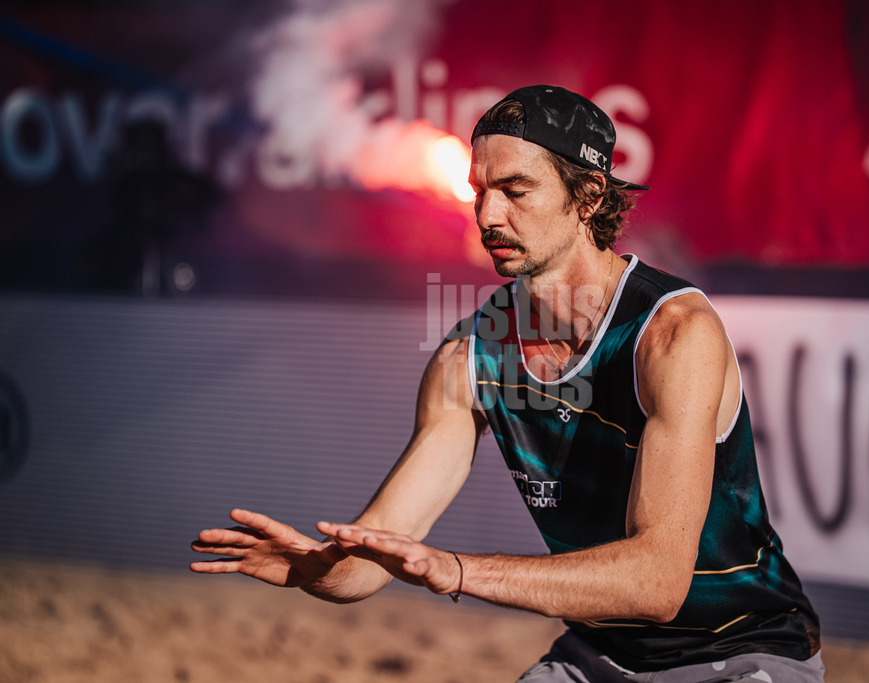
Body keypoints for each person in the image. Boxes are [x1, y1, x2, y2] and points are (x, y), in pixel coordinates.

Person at [191, 84, 823, 681]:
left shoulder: (672, 333)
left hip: (743, 651)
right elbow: (374, 560)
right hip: (596, 656)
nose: (487, 214)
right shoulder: (468, 353)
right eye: (480, 191)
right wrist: (314, 571)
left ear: (590, 196)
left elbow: (655, 585)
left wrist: (458, 571)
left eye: (515, 190)